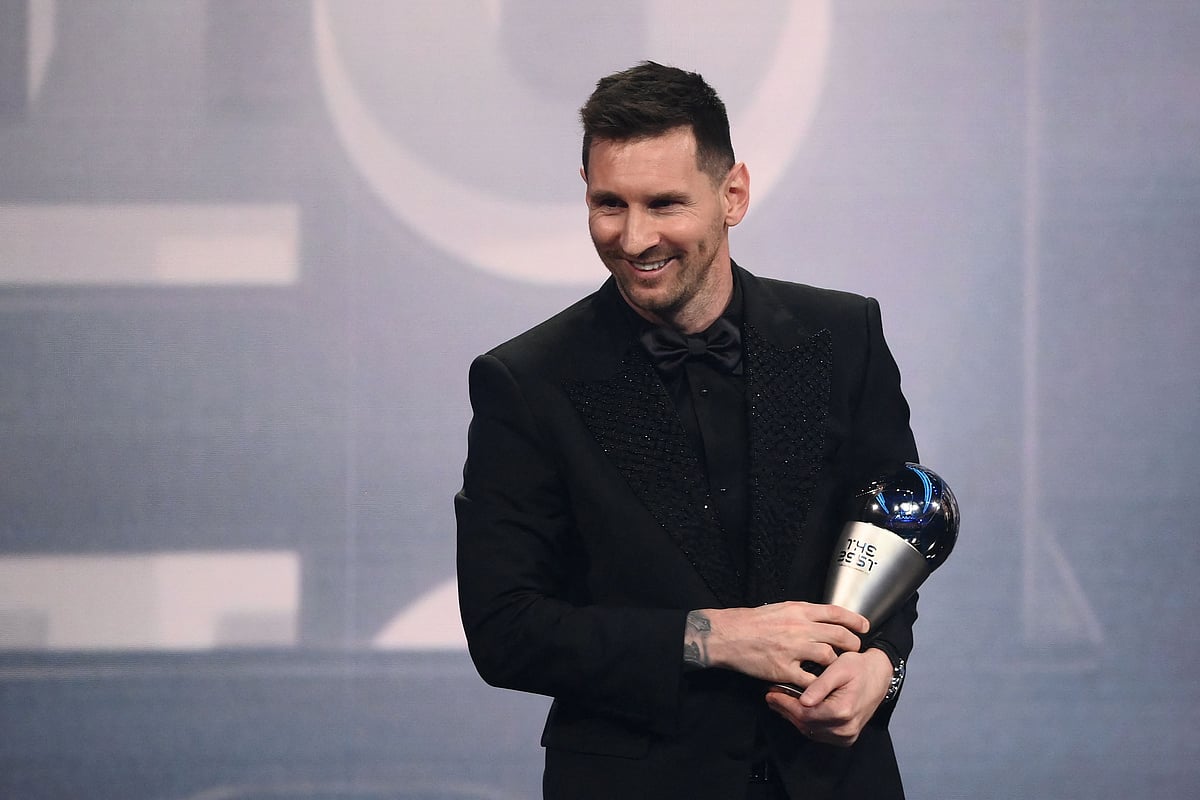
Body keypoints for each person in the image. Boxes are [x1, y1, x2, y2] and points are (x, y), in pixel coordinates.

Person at [455, 61, 919, 800]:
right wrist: (715, 639)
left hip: (833, 781)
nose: (634, 238)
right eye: (609, 204)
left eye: (664, 203)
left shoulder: (843, 336)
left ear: (732, 193)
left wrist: (880, 669)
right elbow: (506, 629)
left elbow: (888, 548)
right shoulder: (526, 382)